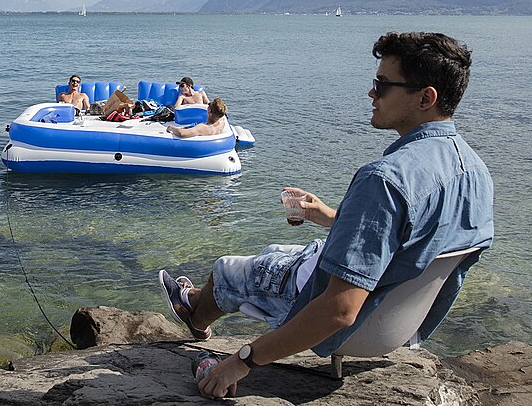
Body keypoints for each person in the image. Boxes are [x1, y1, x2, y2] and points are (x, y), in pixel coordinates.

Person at [157, 31, 494, 400]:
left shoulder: (385, 179)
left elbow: (339, 310)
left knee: (228, 270)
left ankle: (194, 313)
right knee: (279, 250)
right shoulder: (475, 172)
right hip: (398, 325)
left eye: (382, 85)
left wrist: (243, 360)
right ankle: (194, 304)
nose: (371, 94)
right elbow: (412, 240)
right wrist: (333, 217)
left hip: (353, 323)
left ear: (426, 98)